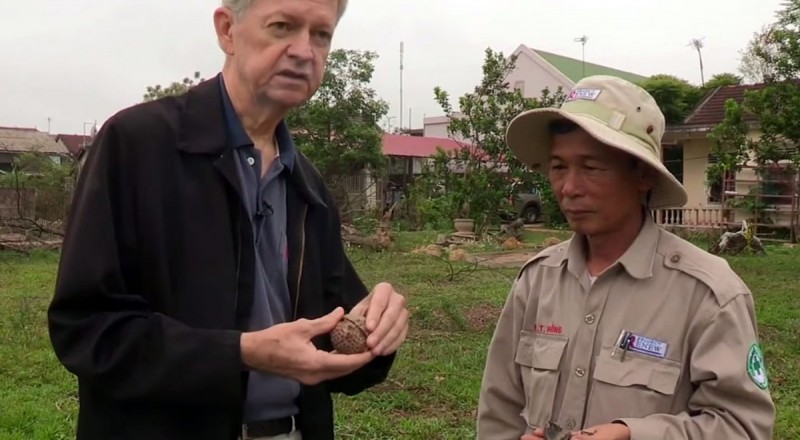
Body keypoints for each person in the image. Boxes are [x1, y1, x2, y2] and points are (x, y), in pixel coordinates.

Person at [47, 1, 409, 439]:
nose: (304, 51)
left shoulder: (306, 183)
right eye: (282, 27)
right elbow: (86, 329)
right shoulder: (138, 146)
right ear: (227, 30)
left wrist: (377, 328)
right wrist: (240, 352)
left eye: (321, 35)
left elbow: (337, 346)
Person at [476, 75, 775, 440]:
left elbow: (743, 426)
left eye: (591, 168)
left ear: (643, 175)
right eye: (558, 168)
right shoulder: (538, 281)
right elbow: (499, 411)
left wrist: (634, 434)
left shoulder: (709, 295)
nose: (569, 188)